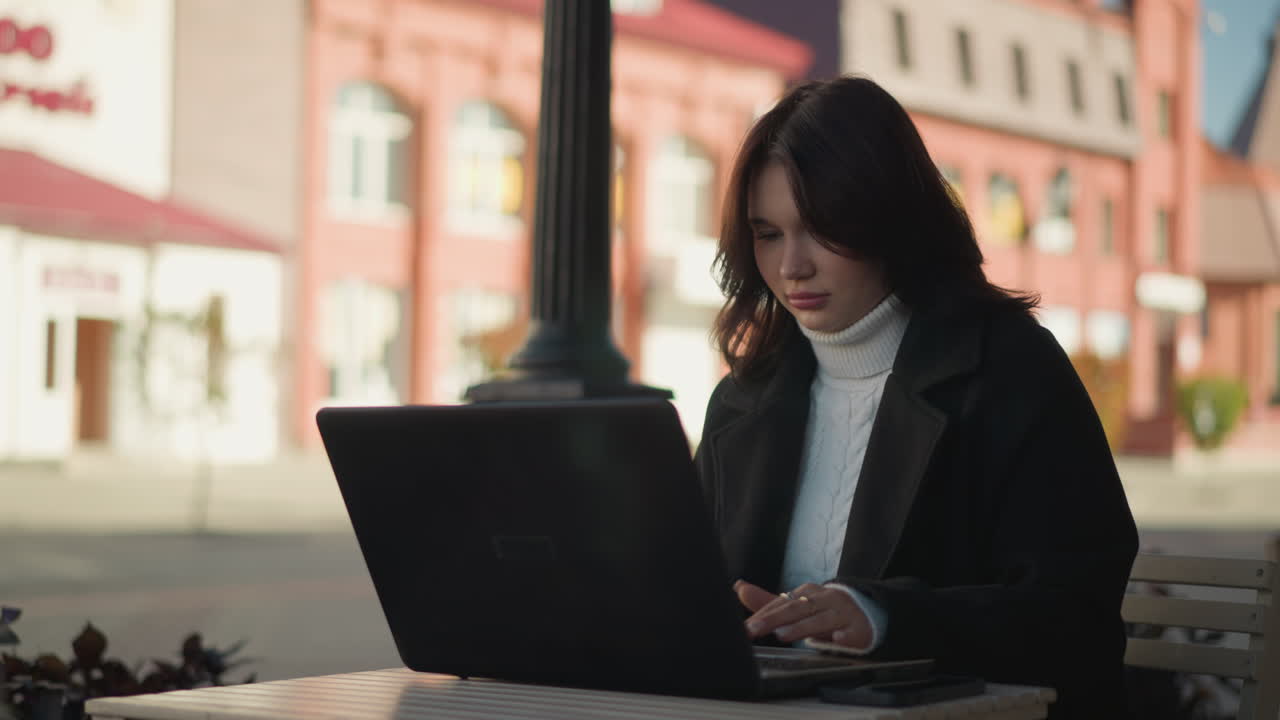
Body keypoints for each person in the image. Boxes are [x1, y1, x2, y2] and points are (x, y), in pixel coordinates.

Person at [694, 76, 1138, 718]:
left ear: (890, 219)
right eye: (767, 233)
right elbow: (685, 597)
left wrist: (881, 616)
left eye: (821, 229)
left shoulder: (1011, 371)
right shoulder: (742, 400)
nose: (792, 265)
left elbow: (1074, 612)